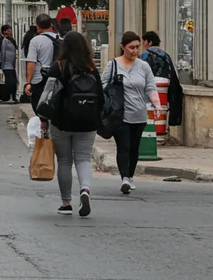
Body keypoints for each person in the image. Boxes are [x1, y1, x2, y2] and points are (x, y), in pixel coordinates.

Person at [48, 32, 104, 217]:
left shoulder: (58, 67)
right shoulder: (91, 68)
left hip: (61, 122)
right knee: (83, 158)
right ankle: (85, 190)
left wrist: (43, 118)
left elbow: (47, 96)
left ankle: (66, 203)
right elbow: (101, 97)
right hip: (87, 122)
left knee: (64, 160)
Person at [103, 31, 161, 195]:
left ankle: (130, 175)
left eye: (137, 47)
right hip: (119, 114)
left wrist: (157, 105)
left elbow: (150, 86)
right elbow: (103, 85)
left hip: (139, 114)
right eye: (131, 47)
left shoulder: (144, 66)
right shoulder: (113, 65)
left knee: (134, 147)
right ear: (123, 47)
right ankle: (125, 178)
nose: (135, 51)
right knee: (124, 146)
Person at [25, 14, 61, 121]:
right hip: (57, 77)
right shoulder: (60, 39)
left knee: (40, 109)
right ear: (51, 24)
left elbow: (31, 63)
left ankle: (44, 130)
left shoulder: (35, 41)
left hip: (39, 79)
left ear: (37, 26)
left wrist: (28, 83)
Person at [0, 25, 20, 103]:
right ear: (4, 31)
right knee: (9, 81)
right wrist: (1, 64)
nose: (10, 32)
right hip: (6, 64)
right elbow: (0, 52)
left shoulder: (11, 39)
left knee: (14, 81)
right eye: (8, 30)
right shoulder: (2, 40)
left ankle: (13, 96)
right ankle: (8, 96)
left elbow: (16, 47)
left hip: (11, 64)